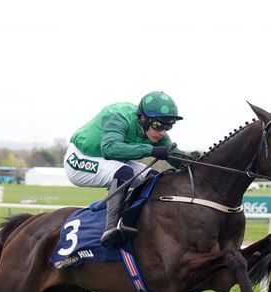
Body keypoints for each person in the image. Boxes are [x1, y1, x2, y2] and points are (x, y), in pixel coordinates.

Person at [64, 91, 193, 247]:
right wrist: (151, 150)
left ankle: (141, 221)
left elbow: (173, 156)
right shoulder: (120, 116)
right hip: (79, 159)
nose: (162, 132)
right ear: (143, 119)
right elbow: (109, 149)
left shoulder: (157, 132)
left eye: (168, 126)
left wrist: (192, 161)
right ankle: (111, 228)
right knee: (124, 172)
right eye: (159, 125)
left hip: (111, 161)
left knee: (153, 177)